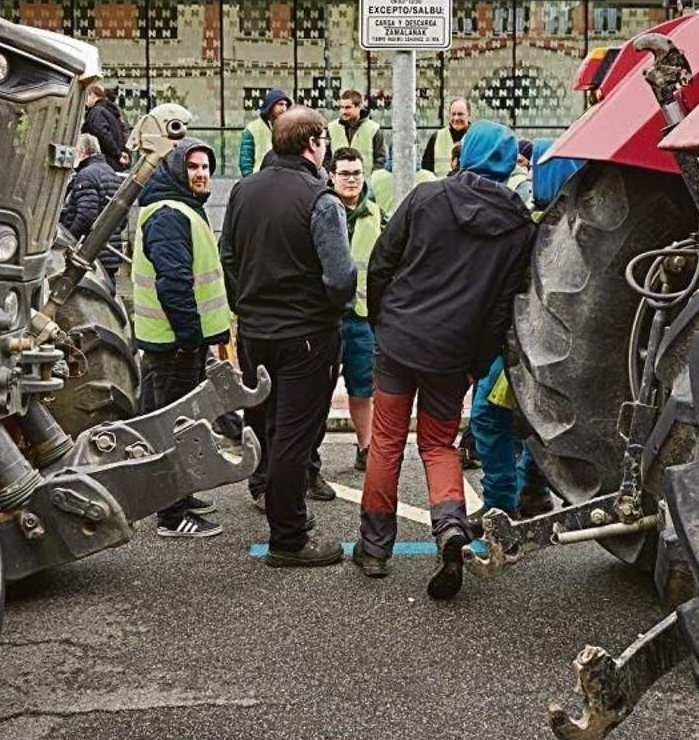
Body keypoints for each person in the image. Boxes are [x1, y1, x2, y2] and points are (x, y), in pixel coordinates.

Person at [356, 119, 535, 599]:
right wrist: (476, 362)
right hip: (453, 356)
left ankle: (374, 549)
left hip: (399, 341)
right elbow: (501, 308)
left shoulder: (426, 197)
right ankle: (450, 530)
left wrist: (382, 323)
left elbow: (381, 264)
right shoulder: (519, 226)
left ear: (465, 153)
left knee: (387, 442)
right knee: (438, 446)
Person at [221, 107, 357, 567]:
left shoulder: (243, 190)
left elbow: (229, 257)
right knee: (295, 438)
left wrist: (248, 305)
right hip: (306, 336)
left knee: (271, 426)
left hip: (256, 333)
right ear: (313, 144)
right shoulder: (321, 199)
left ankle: (283, 513)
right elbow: (340, 277)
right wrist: (329, 308)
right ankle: (289, 539)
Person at [132, 138, 232, 538]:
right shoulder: (171, 214)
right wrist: (191, 337)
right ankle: (173, 516)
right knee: (175, 428)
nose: (201, 173)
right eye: (192, 166)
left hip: (175, 342)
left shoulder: (180, 210)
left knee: (179, 424)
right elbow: (173, 283)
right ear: (175, 170)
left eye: (206, 166)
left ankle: (179, 497)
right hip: (174, 344)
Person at [330, 148, 384, 473]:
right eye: (345, 173)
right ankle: (311, 456)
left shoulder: (375, 214)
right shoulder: (322, 210)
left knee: (362, 386)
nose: (351, 179)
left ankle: (366, 448)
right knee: (317, 389)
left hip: (362, 317)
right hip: (328, 316)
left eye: (356, 173)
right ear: (332, 176)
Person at [61, 133, 124, 275]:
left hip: (90, 253)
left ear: (82, 151)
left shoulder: (86, 175)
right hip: (109, 251)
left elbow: (86, 216)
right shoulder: (111, 173)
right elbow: (122, 217)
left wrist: (67, 240)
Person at [326, 89, 386, 171]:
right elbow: (326, 157)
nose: (343, 111)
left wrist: (371, 180)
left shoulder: (373, 129)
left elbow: (380, 159)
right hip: (338, 181)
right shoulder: (332, 127)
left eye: (347, 107)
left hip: (366, 181)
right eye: (341, 107)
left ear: (359, 107)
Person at [239, 88, 291, 176]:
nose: (284, 108)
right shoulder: (252, 128)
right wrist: (250, 182)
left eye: (286, 105)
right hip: (259, 179)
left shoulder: (289, 128)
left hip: (283, 179)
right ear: (271, 105)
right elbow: (246, 163)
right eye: (280, 104)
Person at [81, 84, 130, 170]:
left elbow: (103, 135)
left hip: (103, 162)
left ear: (92, 95)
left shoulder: (97, 112)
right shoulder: (110, 111)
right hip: (112, 163)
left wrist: (117, 154)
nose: (85, 102)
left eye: (86, 97)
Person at [420, 97, 472, 177]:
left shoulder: (478, 138)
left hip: (468, 189)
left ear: (469, 115)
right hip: (441, 188)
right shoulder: (436, 138)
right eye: (453, 114)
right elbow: (426, 171)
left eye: (460, 114)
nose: (456, 118)